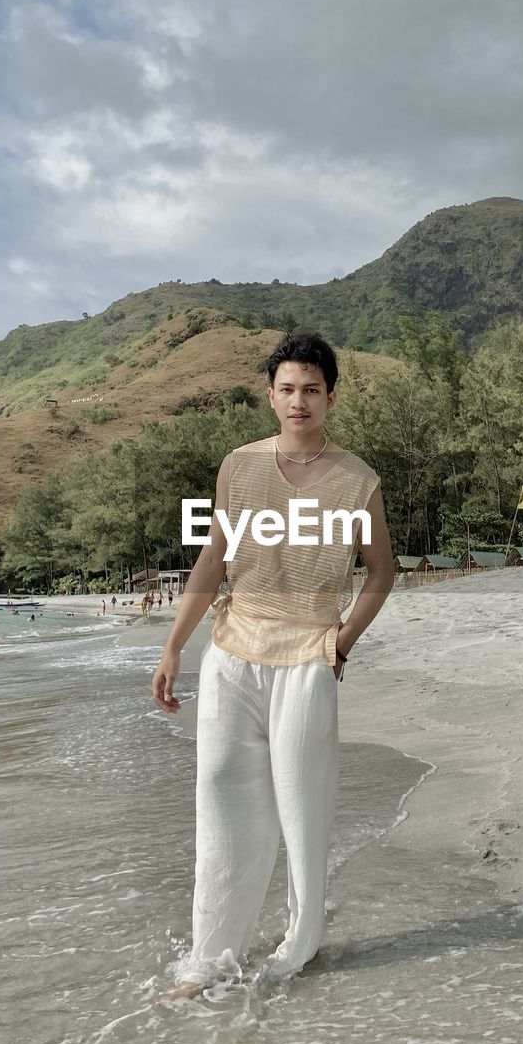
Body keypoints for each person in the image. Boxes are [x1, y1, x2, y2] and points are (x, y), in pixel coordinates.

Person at [152, 330, 394, 998]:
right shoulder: (239, 467)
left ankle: (299, 943)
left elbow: (381, 572)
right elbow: (211, 561)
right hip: (233, 654)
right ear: (270, 396)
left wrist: (339, 644)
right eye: (287, 389)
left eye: (311, 390)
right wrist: (175, 646)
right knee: (224, 798)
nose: (298, 401)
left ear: (330, 397)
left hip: (307, 659)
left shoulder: (356, 479)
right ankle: (209, 955)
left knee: (301, 806)